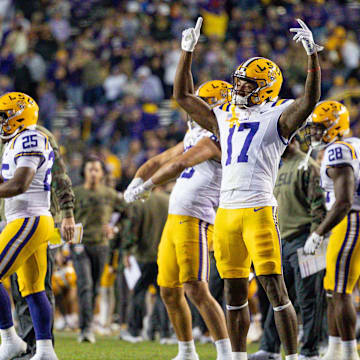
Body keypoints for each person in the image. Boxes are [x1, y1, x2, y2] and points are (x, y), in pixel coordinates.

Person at [174, 17, 321, 360]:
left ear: (266, 87)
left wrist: (313, 57)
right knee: (233, 293)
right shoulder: (224, 114)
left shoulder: (279, 115)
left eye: (246, 84)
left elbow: (309, 102)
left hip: (257, 210)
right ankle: (237, 357)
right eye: (238, 82)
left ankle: (295, 356)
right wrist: (187, 52)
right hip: (226, 212)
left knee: (275, 291)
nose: (237, 89)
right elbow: (182, 95)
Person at [125, 80, 233, 360]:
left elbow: (179, 165)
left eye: (201, 103)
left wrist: (145, 187)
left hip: (197, 218)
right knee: (168, 291)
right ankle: (186, 351)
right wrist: (135, 180)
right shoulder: (193, 134)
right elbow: (159, 160)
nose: (193, 108)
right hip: (175, 219)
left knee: (196, 288)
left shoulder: (217, 137)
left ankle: (225, 353)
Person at [250, 137, 327, 360]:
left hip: (306, 239)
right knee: (279, 298)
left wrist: (316, 238)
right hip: (283, 241)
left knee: (309, 299)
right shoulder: (280, 167)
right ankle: (270, 348)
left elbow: (318, 206)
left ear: (291, 140)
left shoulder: (308, 165)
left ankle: (310, 351)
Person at [6, 123, 75, 359]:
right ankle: (36, 349)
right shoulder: (9, 135)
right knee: (24, 288)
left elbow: (59, 175)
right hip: (11, 216)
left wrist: (67, 213)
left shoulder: (36, 135)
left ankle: (32, 346)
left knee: (36, 287)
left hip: (32, 216)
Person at [0, 92, 58, 360]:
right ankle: (45, 350)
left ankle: (10, 339)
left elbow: (19, 184)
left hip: (29, 218)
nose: (1, 122)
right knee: (33, 290)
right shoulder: (16, 140)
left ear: (19, 115)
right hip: (27, 218)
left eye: (4, 116)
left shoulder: (30, 138)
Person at [303, 101, 360, 360]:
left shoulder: (338, 150)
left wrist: (318, 232)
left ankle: (348, 353)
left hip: (349, 219)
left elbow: (345, 201)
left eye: (319, 128)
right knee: (332, 289)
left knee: (340, 290)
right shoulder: (352, 144)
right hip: (345, 221)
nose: (314, 133)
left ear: (335, 126)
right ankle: (336, 349)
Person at [72, 156, 129, 343]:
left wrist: (116, 229)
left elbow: (128, 214)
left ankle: (88, 324)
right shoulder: (75, 193)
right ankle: (85, 328)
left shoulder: (110, 194)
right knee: (85, 285)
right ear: (84, 172)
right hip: (79, 244)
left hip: (102, 244)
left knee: (95, 286)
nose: (94, 173)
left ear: (103, 173)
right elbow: (63, 214)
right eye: (90, 169)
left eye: (97, 169)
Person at [119, 189, 171, 343]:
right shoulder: (169, 200)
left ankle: (135, 331)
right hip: (164, 255)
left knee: (138, 293)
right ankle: (165, 333)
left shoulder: (139, 203)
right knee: (164, 295)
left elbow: (131, 229)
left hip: (143, 255)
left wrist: (127, 251)